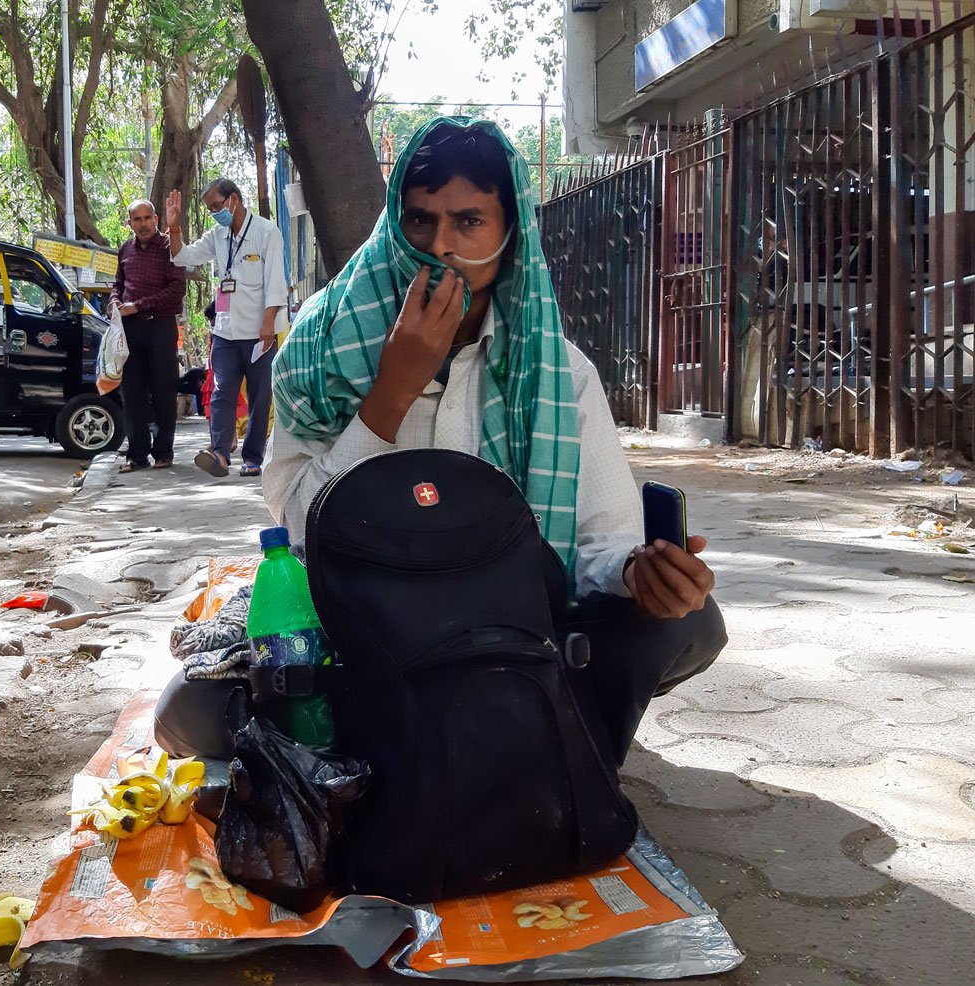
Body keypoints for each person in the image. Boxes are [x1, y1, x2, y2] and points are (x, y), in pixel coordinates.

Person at [155, 119, 726, 767]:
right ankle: (511, 741)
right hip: (367, 630)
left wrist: (639, 573)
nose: (440, 246)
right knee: (189, 711)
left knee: (691, 624)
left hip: (512, 636)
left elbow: (600, 541)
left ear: (510, 236)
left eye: (469, 222)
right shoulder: (326, 345)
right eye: (421, 222)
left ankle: (486, 739)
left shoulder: (559, 372)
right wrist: (390, 394)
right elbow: (303, 534)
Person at [167, 179, 288, 478]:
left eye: (217, 206)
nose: (214, 213)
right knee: (222, 391)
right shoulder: (218, 235)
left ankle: (253, 457)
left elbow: (275, 281)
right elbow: (184, 256)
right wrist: (174, 227)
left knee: (260, 397)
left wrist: (269, 323)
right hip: (225, 330)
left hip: (261, 330)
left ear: (234, 199)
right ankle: (219, 453)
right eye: (210, 209)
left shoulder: (266, 232)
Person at [111, 199, 186, 473]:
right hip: (130, 329)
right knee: (132, 393)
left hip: (161, 326)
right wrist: (114, 303)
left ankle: (164, 452)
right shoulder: (125, 250)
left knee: (164, 391)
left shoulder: (170, 247)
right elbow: (118, 285)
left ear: (155, 219)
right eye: (136, 219)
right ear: (129, 223)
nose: (142, 224)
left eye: (146, 218)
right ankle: (137, 455)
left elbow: (178, 289)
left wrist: (139, 306)